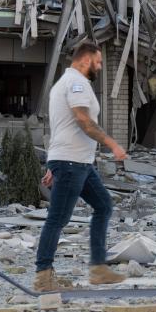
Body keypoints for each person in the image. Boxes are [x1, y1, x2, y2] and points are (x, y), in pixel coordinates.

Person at [33, 42, 128, 292]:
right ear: (85, 61)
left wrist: (55, 164)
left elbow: (64, 125)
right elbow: (83, 121)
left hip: (78, 162)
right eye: (97, 62)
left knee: (104, 206)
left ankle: (98, 269)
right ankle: (43, 275)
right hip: (71, 162)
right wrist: (113, 145)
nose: (99, 66)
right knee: (58, 218)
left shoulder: (66, 83)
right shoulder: (76, 84)